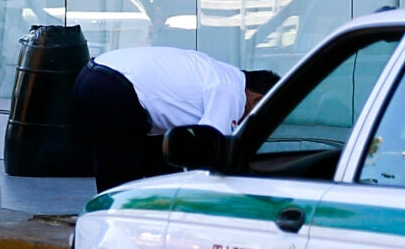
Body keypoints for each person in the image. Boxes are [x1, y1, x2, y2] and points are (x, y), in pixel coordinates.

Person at [72, 46, 279, 192]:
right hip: (113, 86)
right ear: (258, 99)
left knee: (163, 169)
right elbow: (210, 149)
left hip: (95, 74)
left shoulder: (221, 74)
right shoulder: (232, 92)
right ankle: (114, 222)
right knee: (122, 175)